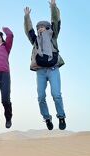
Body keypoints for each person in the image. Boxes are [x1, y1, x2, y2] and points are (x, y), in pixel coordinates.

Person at [24, 0, 66, 130]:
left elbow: (55, 21)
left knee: (56, 95)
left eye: (42, 26)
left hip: (53, 69)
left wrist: (53, 7)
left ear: (48, 28)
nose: (39, 28)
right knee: (41, 96)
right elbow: (28, 30)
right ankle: (47, 118)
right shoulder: (35, 40)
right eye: (38, 27)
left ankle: (61, 117)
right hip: (40, 71)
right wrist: (27, 17)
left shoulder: (53, 37)